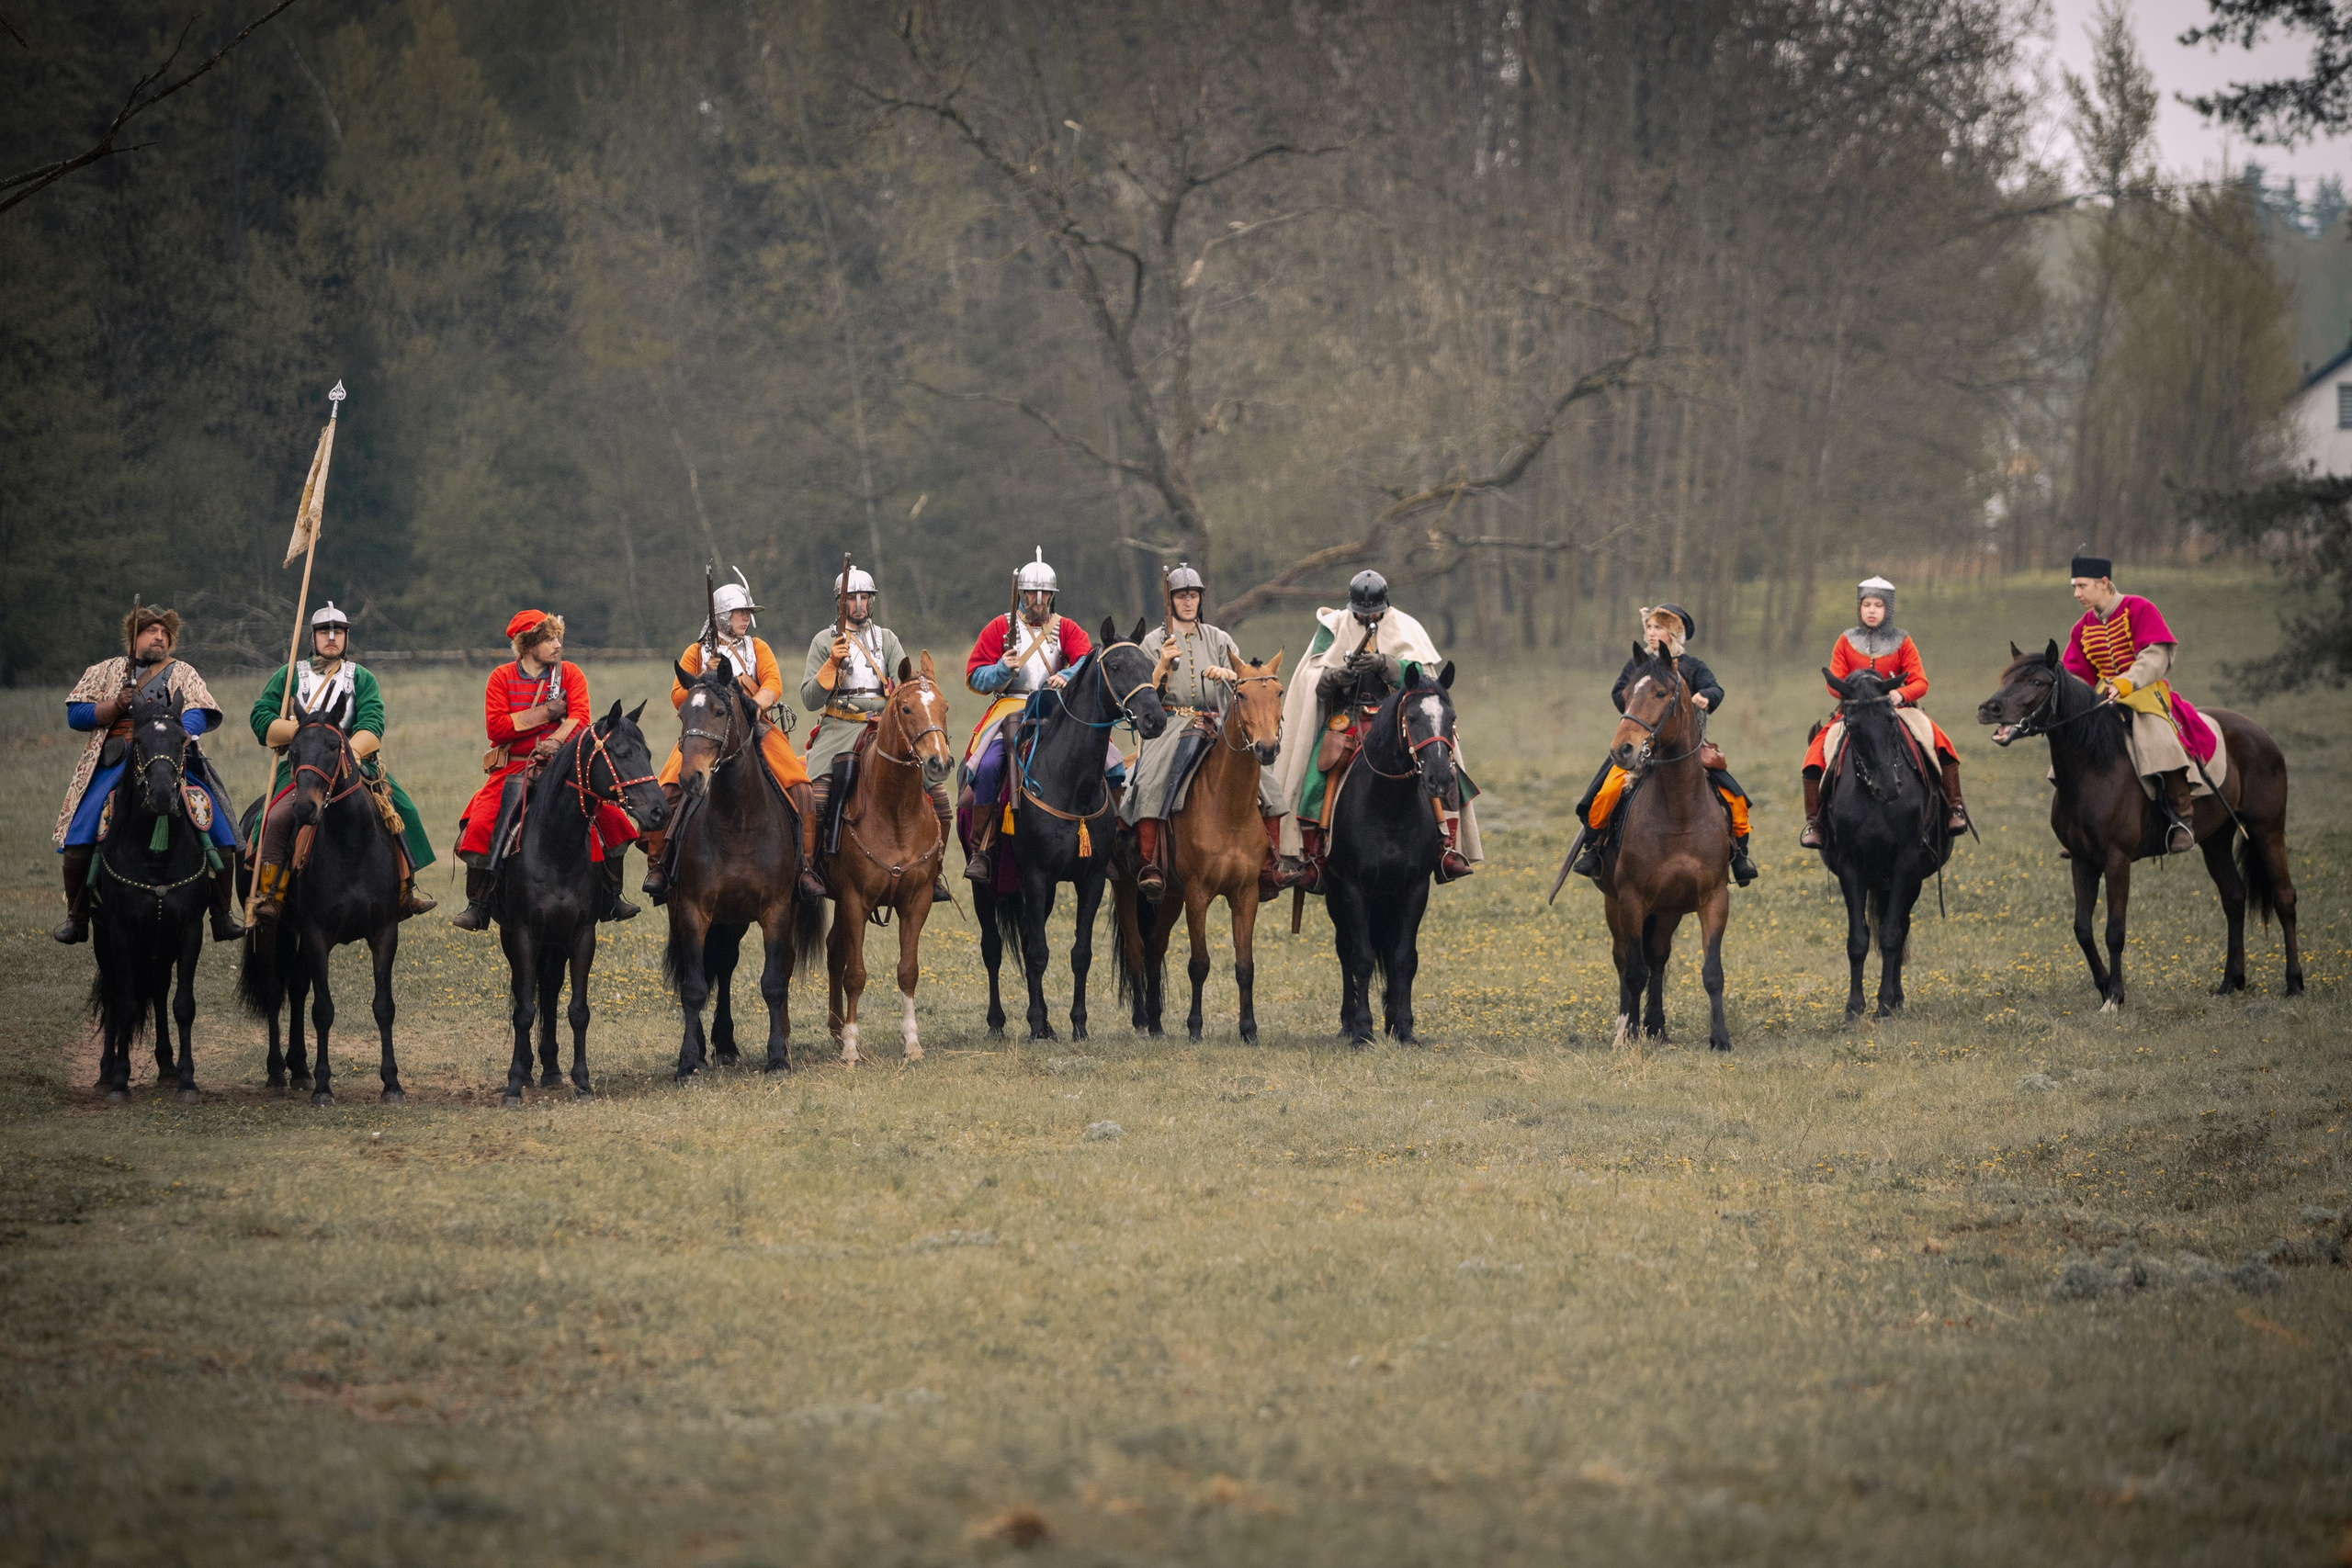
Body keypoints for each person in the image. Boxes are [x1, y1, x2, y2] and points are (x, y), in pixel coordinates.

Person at [1268, 569, 1479, 884]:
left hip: (1398, 719)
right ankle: (1314, 855)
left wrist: (1387, 665)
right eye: (1362, 614)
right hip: (1348, 719)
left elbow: (1424, 677)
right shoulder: (1332, 627)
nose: (1369, 619)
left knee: (1434, 764)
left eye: (1375, 613)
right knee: (1318, 774)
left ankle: (1445, 848)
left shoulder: (1406, 627)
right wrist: (1335, 677)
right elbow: (1311, 678)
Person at [51, 604, 244, 944]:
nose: (159, 637)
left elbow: (201, 709)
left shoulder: (182, 671)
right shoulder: (106, 670)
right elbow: (76, 714)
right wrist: (113, 706)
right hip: (118, 761)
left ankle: (221, 914)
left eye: (164, 633)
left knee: (216, 823)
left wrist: (182, 729)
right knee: (82, 830)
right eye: (151, 631)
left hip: (170, 759)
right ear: (134, 636)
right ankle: (77, 916)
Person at [245, 602, 438, 928]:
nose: (331, 638)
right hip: (304, 767)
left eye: (338, 632)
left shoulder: (360, 677)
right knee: (276, 817)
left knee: (401, 809)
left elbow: (373, 721)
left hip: (352, 763)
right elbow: (261, 715)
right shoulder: (290, 674)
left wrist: (349, 752)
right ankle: (271, 894)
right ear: (313, 637)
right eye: (324, 632)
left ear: (346, 638)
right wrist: (305, 735)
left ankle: (405, 888)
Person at [449, 610, 642, 931]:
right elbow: (497, 729)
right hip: (514, 769)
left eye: (558, 637)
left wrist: (553, 742)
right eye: (548, 639)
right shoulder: (501, 678)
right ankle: (479, 904)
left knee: (613, 820)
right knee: (483, 822)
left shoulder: (571, 675)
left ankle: (611, 895)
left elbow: (580, 719)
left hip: (565, 767)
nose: (557, 644)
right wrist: (549, 711)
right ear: (527, 645)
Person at [637, 571, 815, 906]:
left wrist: (754, 705)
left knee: (802, 788)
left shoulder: (758, 648)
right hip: (706, 732)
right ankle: (658, 865)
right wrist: (707, 677)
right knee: (668, 790)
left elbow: (773, 684)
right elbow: (679, 695)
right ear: (721, 616)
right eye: (740, 613)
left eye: (748, 613)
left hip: (755, 728)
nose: (746, 619)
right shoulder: (696, 652)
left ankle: (804, 868)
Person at [1119, 564, 1293, 897]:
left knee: (1267, 782)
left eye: (1193, 595)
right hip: (1171, 724)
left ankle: (1271, 863)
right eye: (1181, 596)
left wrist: (1227, 675)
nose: (1188, 601)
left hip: (1218, 722)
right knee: (1152, 777)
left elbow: (1245, 683)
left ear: (1200, 599)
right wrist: (1161, 667)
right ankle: (1150, 862)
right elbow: (1145, 696)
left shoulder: (1219, 638)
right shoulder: (1154, 642)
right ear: (1170, 601)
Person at [1568, 604, 1758, 886]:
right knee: (1607, 791)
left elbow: (1716, 688)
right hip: (1641, 742)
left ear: (1673, 634)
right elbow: (1618, 691)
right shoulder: (1638, 665)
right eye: (1649, 627)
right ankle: (1594, 849)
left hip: (1687, 749)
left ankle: (1738, 856)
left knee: (1735, 798)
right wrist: (1639, 708)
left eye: (1659, 628)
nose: (1652, 633)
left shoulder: (1693, 666)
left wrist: (1706, 695)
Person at [797, 563, 951, 905]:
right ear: (840, 603)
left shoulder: (887, 639)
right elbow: (809, 698)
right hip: (841, 727)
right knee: (818, 798)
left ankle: (934, 872)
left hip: (884, 728)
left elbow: (907, 681)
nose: (860, 604)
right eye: (852, 598)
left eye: (865, 597)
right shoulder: (824, 641)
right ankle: (809, 869)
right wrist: (831, 665)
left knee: (940, 799)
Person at [2062, 549, 2220, 854]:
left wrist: (2126, 682)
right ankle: (2081, 825)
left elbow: (2155, 656)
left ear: (2104, 582)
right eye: (2074, 587)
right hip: (2103, 699)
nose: (2076, 593)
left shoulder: (2139, 608)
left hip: (2147, 692)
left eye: (2082, 586)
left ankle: (2182, 819)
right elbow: (2076, 674)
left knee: (2161, 742)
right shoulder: (2081, 628)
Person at [1798, 576, 1967, 848]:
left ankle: (1953, 809)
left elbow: (1921, 682)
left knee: (1940, 743)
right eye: (1867, 605)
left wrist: (1899, 693)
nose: (1872, 610)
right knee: (1814, 756)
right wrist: (1854, 693)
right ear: (1860, 607)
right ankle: (1815, 823)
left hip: (1898, 710)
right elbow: (1834, 684)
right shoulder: (1845, 641)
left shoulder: (1903, 641)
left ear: (1887, 609)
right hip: (1855, 713)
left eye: (1878, 605)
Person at [960, 547, 1094, 885]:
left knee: (1109, 761)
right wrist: (1001, 671)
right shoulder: (999, 627)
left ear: (1052, 595)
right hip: (1011, 705)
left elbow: (1088, 661)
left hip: (1056, 708)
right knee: (990, 765)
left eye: (1044, 593)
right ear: (1021, 593)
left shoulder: (1068, 628)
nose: (1038, 599)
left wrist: (1069, 675)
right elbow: (975, 677)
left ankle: (1107, 842)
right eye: (1032, 592)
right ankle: (983, 847)